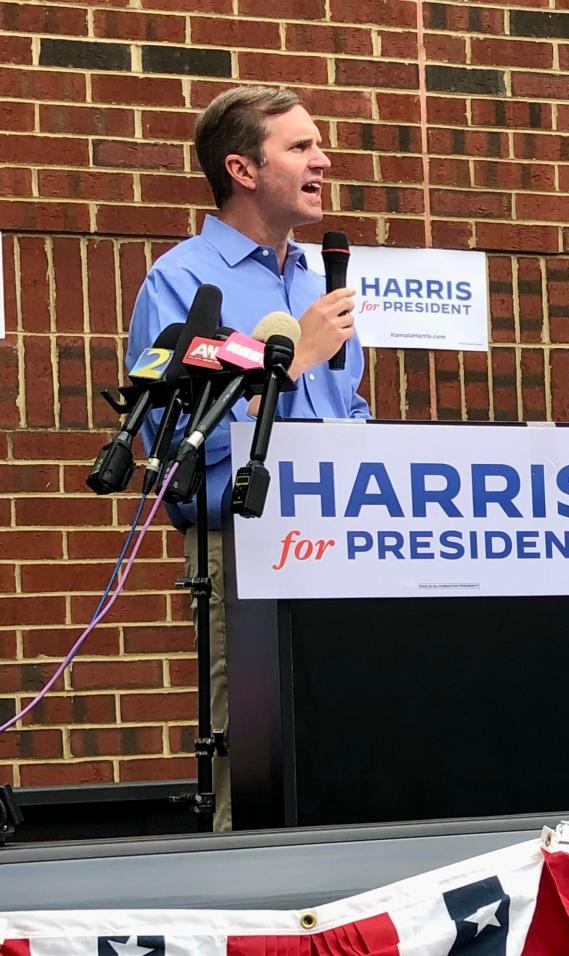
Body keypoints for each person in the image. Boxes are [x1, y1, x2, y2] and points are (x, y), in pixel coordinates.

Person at [125, 86, 371, 830]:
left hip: (345, 539)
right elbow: (169, 443)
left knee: (349, 731)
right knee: (254, 750)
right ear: (241, 168)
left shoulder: (317, 277)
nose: (322, 160)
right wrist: (291, 360)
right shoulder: (182, 279)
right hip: (243, 543)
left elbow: (348, 407)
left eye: (318, 145)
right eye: (299, 147)